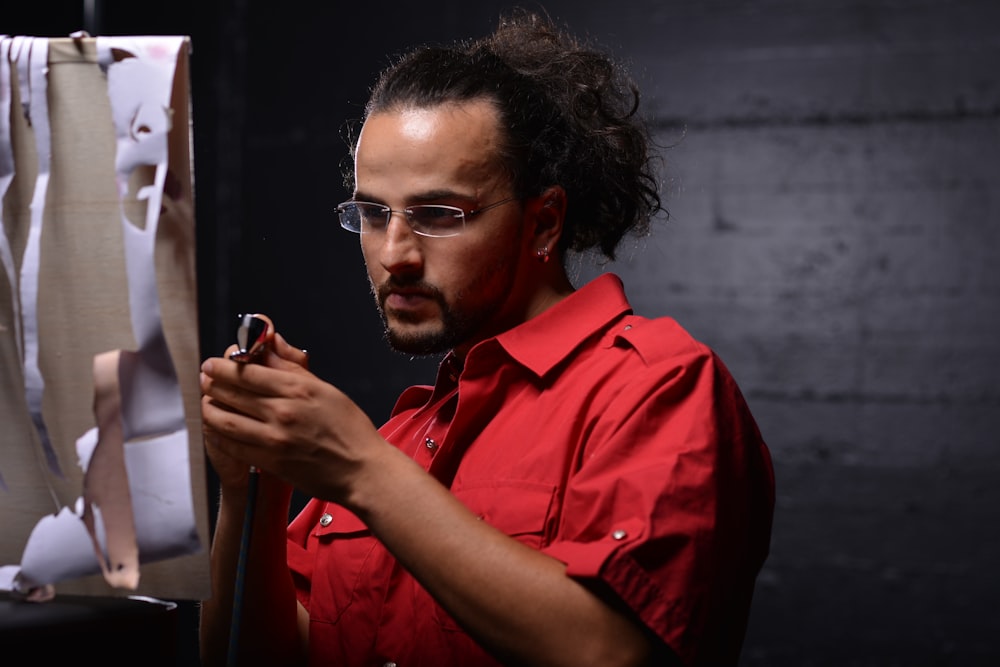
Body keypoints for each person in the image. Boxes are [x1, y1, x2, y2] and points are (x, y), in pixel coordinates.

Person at [198, 9, 774, 667]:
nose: (395, 254)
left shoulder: (659, 387)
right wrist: (254, 488)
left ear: (545, 222)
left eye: (439, 214)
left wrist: (360, 468)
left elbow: (611, 651)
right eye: (373, 213)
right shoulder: (402, 438)